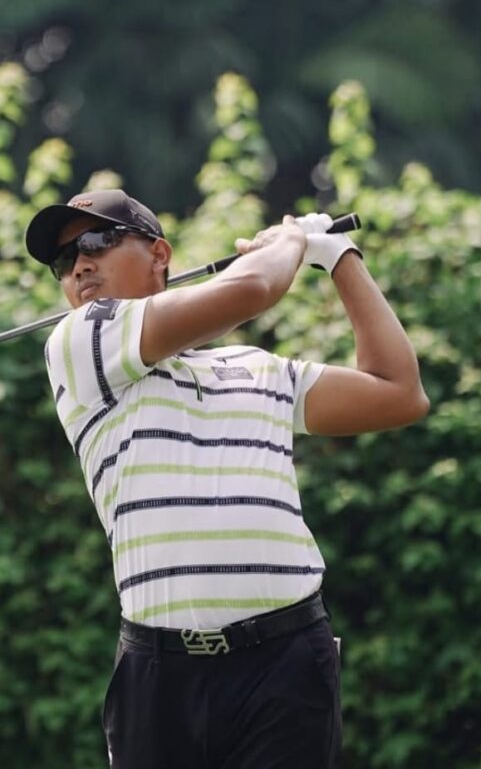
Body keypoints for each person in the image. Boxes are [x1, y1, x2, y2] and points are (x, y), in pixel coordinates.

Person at [24, 189, 429, 769]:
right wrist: (293, 239)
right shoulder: (81, 341)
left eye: (97, 242)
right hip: (160, 677)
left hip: (286, 663)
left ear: (160, 254)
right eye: (64, 261)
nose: (80, 265)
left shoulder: (255, 367)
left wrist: (339, 257)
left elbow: (399, 392)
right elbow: (254, 288)